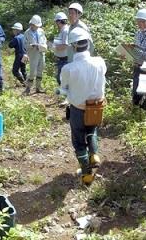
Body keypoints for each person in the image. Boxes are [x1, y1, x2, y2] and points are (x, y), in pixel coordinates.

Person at [58, 27, 106, 185]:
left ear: (72, 47)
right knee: (91, 130)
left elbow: (63, 88)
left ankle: (86, 175)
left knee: (78, 141)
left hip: (78, 109)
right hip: (97, 106)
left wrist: (61, 91)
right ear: (89, 44)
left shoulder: (68, 68)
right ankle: (94, 154)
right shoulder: (100, 62)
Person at [23, 15, 47, 95]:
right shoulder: (27, 33)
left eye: (37, 26)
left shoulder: (41, 31)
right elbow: (25, 45)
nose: (36, 27)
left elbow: (44, 40)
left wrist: (41, 45)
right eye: (35, 26)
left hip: (41, 52)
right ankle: (28, 87)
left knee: (41, 69)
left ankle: (38, 87)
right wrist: (31, 45)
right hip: (33, 54)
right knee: (33, 71)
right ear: (31, 24)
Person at [52, 12, 69, 86]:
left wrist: (53, 47)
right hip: (61, 58)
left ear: (59, 21)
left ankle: (66, 95)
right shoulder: (62, 30)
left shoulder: (65, 31)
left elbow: (65, 45)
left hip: (65, 59)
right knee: (60, 78)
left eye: (56, 22)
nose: (56, 24)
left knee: (61, 79)